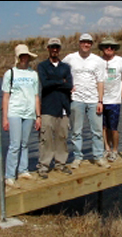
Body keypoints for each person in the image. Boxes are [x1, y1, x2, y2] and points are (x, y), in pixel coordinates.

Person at [62, 33, 110, 169]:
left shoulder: (98, 61)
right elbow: (60, 72)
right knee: (76, 131)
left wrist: (100, 101)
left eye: (89, 42)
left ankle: (99, 156)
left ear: (91, 44)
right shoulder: (70, 58)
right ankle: (77, 157)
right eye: (83, 42)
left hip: (94, 100)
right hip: (76, 100)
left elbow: (101, 81)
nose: (86, 45)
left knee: (97, 131)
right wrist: (66, 86)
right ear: (79, 43)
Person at [1, 44, 41, 189]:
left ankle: (23, 170)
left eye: (26, 56)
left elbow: (36, 96)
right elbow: (6, 97)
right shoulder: (10, 73)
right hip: (14, 112)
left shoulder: (33, 74)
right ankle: (10, 176)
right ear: (18, 58)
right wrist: (5, 118)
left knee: (25, 143)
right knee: (14, 145)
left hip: (29, 113)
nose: (25, 58)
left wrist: (38, 115)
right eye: (22, 56)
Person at [36, 38, 73, 179]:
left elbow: (69, 85)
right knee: (46, 139)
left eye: (57, 47)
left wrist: (56, 82)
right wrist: (60, 81)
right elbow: (45, 84)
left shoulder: (65, 67)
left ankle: (60, 164)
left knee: (62, 138)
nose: (55, 50)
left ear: (59, 49)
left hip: (63, 107)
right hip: (47, 108)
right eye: (52, 47)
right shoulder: (42, 66)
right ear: (48, 48)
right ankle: (44, 166)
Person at [98, 36, 122, 162]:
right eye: (107, 46)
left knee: (113, 128)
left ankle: (115, 150)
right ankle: (106, 148)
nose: (109, 49)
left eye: (112, 47)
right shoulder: (98, 61)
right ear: (102, 48)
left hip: (114, 100)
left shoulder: (120, 61)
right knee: (103, 127)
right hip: (101, 100)